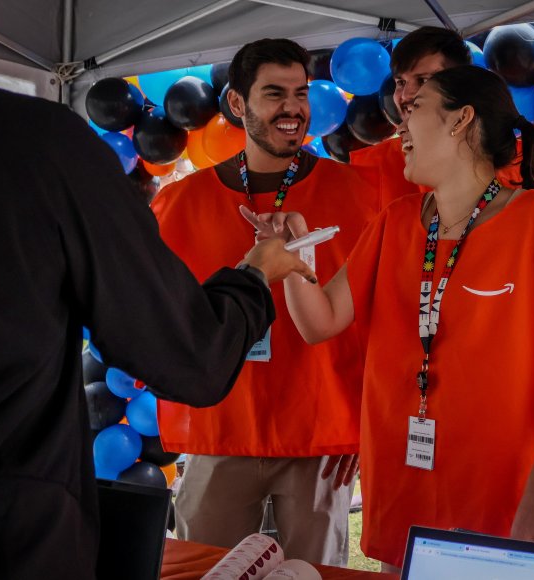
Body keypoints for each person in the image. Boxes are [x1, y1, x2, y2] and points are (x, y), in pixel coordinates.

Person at [0, 2, 316, 579]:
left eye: (300, 92)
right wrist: (253, 279)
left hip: (312, 437)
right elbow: (186, 351)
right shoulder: (32, 145)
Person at [257, 65, 534, 571]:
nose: (400, 125)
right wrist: (294, 256)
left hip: (503, 488)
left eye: (414, 109)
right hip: (405, 474)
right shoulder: (396, 220)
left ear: (461, 120)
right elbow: (320, 321)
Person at [151, 38, 379, 566]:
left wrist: (366, 423)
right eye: (274, 94)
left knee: (314, 576)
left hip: (320, 434)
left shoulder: (359, 196)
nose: (293, 109)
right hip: (217, 430)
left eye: (299, 93)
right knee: (204, 572)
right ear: (237, 104)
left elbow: (379, 319)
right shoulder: (178, 204)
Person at [349, 26, 521, 208]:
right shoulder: (375, 167)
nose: (406, 94)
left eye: (424, 80)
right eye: (400, 82)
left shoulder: (508, 157)